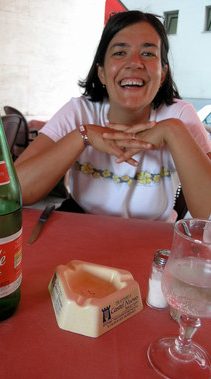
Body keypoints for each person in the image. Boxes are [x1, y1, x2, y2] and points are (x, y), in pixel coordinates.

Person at [15, 10, 211, 221]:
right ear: (101, 72)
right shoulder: (79, 111)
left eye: (148, 53)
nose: (135, 62)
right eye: (119, 53)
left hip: (152, 234)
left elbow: (207, 215)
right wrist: (83, 135)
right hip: (82, 224)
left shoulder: (180, 115)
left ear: (162, 73)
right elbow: (16, 190)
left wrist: (174, 131)